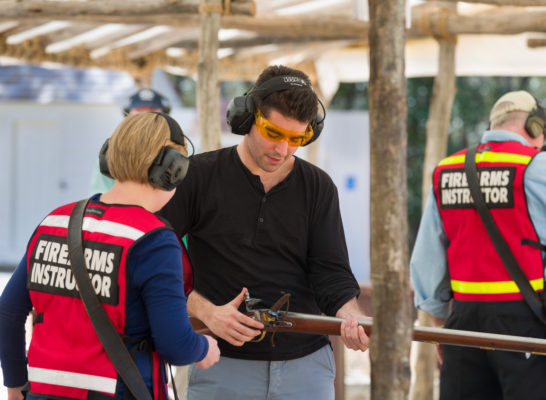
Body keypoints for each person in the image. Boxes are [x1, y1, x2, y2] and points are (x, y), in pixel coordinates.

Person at [158, 65, 369, 400]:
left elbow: (331, 273)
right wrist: (205, 310)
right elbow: (152, 260)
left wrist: (352, 316)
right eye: (273, 133)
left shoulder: (319, 187)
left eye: (296, 139)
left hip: (307, 367)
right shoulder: (198, 177)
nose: (283, 149)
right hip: (219, 363)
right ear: (247, 117)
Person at [0, 112, 219, 400]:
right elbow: (175, 344)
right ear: (172, 170)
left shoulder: (55, 221)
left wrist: (15, 386)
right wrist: (204, 348)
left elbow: (8, 313)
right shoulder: (154, 240)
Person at [410, 90, 546, 400]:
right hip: (523, 323)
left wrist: (440, 325)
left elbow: (427, 261)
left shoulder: (446, 171)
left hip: (463, 323)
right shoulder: (539, 168)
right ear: (535, 127)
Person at [90, 88, 172, 194]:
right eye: (139, 109)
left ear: (165, 115)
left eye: (152, 109)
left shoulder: (182, 149)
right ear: (128, 115)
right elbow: (99, 195)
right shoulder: (111, 153)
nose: (145, 115)